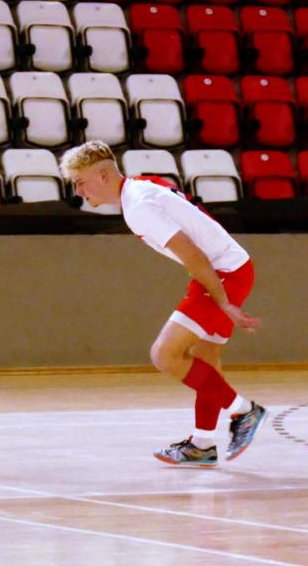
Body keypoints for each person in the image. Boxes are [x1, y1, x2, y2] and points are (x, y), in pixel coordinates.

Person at [60, 140, 267, 467]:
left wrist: (223, 301)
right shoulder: (139, 188)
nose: (79, 191)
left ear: (103, 176)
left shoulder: (139, 207)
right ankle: (201, 445)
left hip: (222, 273)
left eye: (80, 182)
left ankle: (244, 411)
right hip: (232, 267)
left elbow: (193, 255)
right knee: (205, 360)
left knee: (165, 354)